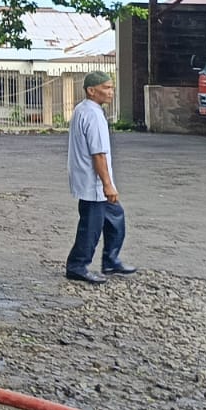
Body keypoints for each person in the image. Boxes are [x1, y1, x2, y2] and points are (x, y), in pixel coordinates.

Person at [66, 70, 132, 285]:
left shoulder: (82, 109)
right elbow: (99, 153)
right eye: (106, 88)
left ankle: (111, 260)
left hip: (87, 178)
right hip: (94, 181)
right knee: (91, 226)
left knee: (115, 216)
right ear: (91, 91)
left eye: (112, 87)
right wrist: (108, 184)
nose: (111, 92)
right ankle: (77, 265)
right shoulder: (94, 115)